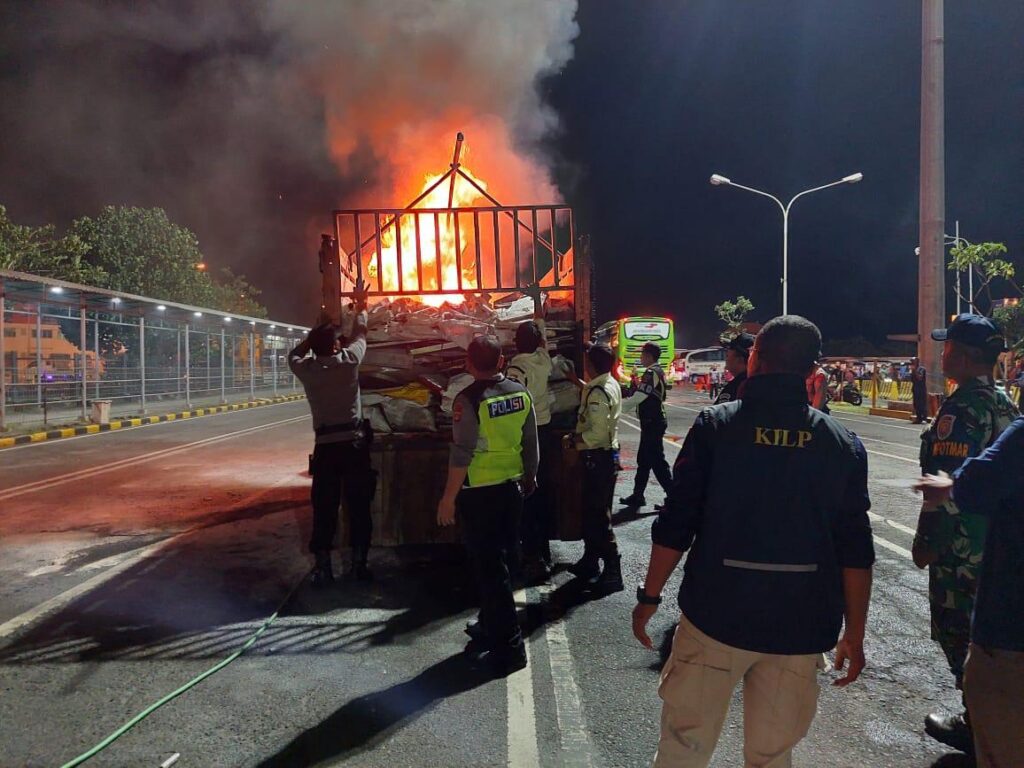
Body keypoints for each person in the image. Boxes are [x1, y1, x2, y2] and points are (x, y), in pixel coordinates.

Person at [633, 315, 875, 768]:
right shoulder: (842, 444)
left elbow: (676, 524)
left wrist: (649, 597)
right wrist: (854, 635)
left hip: (715, 617)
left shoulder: (716, 427)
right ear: (812, 371)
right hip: (800, 627)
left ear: (756, 358)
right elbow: (856, 550)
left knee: (683, 749)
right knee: (771, 756)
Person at [912, 313, 1020, 753]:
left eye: (947, 346)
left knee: (959, 632)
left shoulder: (960, 411)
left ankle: (979, 723)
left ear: (960, 353)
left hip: (961, 550)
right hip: (999, 547)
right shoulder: (1006, 406)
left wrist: (925, 543)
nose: (943, 353)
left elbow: (944, 487)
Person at [437, 335, 539, 676]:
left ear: (468, 363)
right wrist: (530, 476)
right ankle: (488, 625)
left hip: (479, 492)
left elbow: (462, 452)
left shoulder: (467, 401)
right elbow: (530, 441)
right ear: (500, 362)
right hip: (511, 489)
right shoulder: (520, 393)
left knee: (491, 571)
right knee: (501, 563)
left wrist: (448, 498)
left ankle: (510, 649)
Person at [289, 282, 376, 585]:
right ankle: (359, 564)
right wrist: (361, 306)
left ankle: (323, 566)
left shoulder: (307, 369)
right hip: (353, 445)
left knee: (325, 508)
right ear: (337, 346)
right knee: (359, 505)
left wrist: (313, 337)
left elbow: (293, 355)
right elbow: (362, 334)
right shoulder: (349, 362)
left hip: (326, 448)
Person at [566, 342, 624, 592]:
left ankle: (613, 571)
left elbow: (597, 433)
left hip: (598, 456)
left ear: (591, 365)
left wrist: (573, 442)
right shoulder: (607, 384)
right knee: (592, 513)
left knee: (600, 516)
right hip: (604, 457)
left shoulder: (599, 392)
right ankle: (591, 561)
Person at [506, 285, 555, 583]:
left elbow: (512, 402)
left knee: (526, 495)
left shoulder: (517, 368)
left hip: (526, 433)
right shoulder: (543, 359)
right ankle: (543, 552)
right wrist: (537, 301)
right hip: (545, 429)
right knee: (541, 492)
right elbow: (543, 334)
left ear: (516, 343)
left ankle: (532, 557)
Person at [620, 341, 672, 509]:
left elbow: (640, 396)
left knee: (657, 461)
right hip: (652, 422)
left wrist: (617, 408)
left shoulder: (651, 372)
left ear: (649, 356)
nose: (641, 358)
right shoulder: (655, 371)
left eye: (642, 354)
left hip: (653, 422)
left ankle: (675, 497)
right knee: (644, 459)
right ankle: (638, 495)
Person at [714, 332, 754, 404]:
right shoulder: (755, 382)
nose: (726, 358)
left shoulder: (737, 387)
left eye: (727, 355)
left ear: (740, 359)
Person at [911, 356, 929, 423]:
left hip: (921, 389)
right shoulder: (913, 369)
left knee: (922, 404)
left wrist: (914, 370)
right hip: (915, 389)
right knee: (916, 404)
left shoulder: (921, 369)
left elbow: (920, 378)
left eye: (913, 361)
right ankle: (919, 418)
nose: (912, 363)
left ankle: (924, 417)